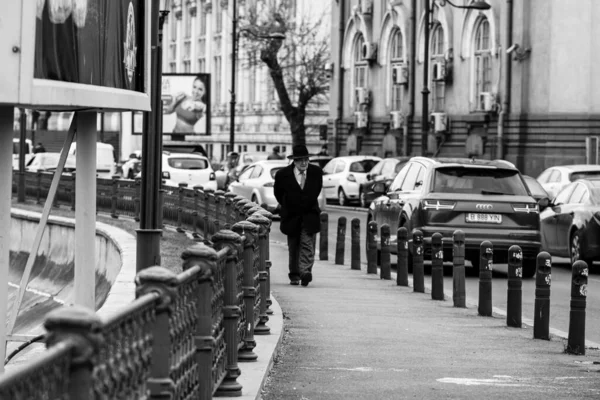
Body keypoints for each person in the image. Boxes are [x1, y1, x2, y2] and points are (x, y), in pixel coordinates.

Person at [274, 145, 323, 287]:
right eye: (300, 160)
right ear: (294, 161)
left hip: (309, 213)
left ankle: (305, 272)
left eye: (306, 159)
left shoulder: (316, 172)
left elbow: (316, 191)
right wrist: (288, 204)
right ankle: (294, 274)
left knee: (308, 244)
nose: (303, 163)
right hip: (291, 214)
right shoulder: (283, 175)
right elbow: (278, 193)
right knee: (293, 245)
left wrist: (304, 203)